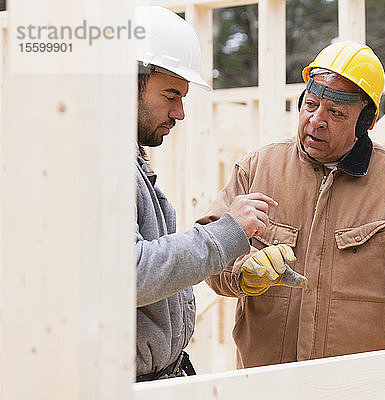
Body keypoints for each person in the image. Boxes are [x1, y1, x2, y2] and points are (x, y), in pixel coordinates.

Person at [199, 41, 385, 378]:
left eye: (336, 112)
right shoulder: (258, 169)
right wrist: (243, 270)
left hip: (357, 387)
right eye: (311, 104)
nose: (317, 120)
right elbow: (210, 249)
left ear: (365, 121)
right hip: (265, 384)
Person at [133, 6, 277, 381]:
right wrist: (228, 233)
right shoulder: (97, 167)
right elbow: (130, 272)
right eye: (169, 95)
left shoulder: (129, 161)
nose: (180, 113)